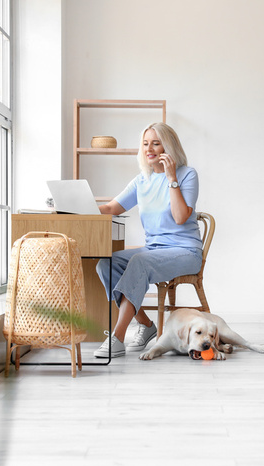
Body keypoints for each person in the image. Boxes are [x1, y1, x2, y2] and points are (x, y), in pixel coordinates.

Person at [94, 122, 203, 357]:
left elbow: (181, 217)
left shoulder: (187, 174)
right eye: (145, 144)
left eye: (156, 143)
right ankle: (145, 324)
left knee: (140, 262)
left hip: (185, 252)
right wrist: (77, 207)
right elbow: (112, 207)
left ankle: (118, 338)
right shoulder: (142, 180)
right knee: (107, 262)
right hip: (154, 250)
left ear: (169, 146)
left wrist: (171, 177)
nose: (149, 149)